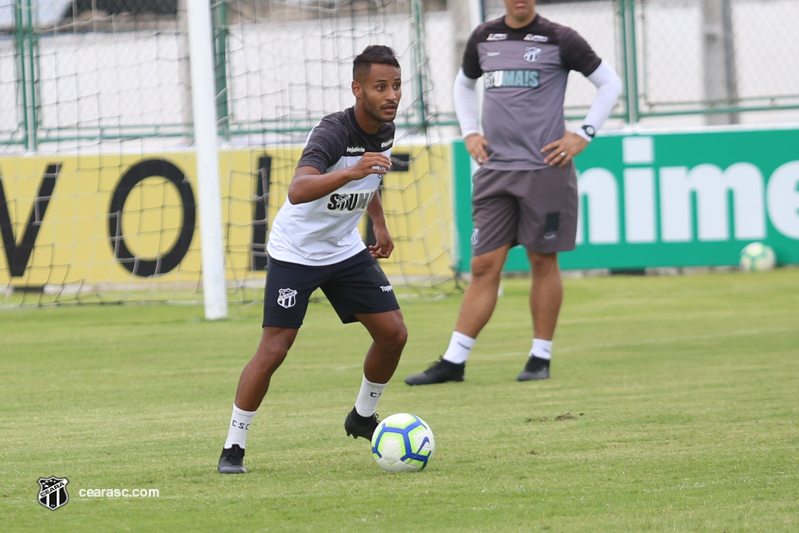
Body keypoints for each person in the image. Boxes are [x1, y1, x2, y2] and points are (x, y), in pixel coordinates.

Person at [404, 0, 621, 385]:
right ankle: (454, 361)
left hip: (545, 170)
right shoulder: (483, 37)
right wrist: (470, 131)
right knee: (483, 266)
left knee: (542, 261)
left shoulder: (561, 38)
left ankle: (540, 357)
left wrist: (584, 133)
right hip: (495, 171)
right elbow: (463, 84)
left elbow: (610, 83)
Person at [218, 45, 407, 474]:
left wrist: (378, 223)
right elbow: (298, 190)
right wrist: (352, 171)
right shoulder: (332, 133)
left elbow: (370, 173)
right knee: (275, 348)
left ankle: (361, 416)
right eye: (381, 87)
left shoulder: (385, 126)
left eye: (396, 86)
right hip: (296, 253)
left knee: (393, 334)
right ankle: (234, 446)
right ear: (357, 89)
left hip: (343, 249)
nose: (391, 95)